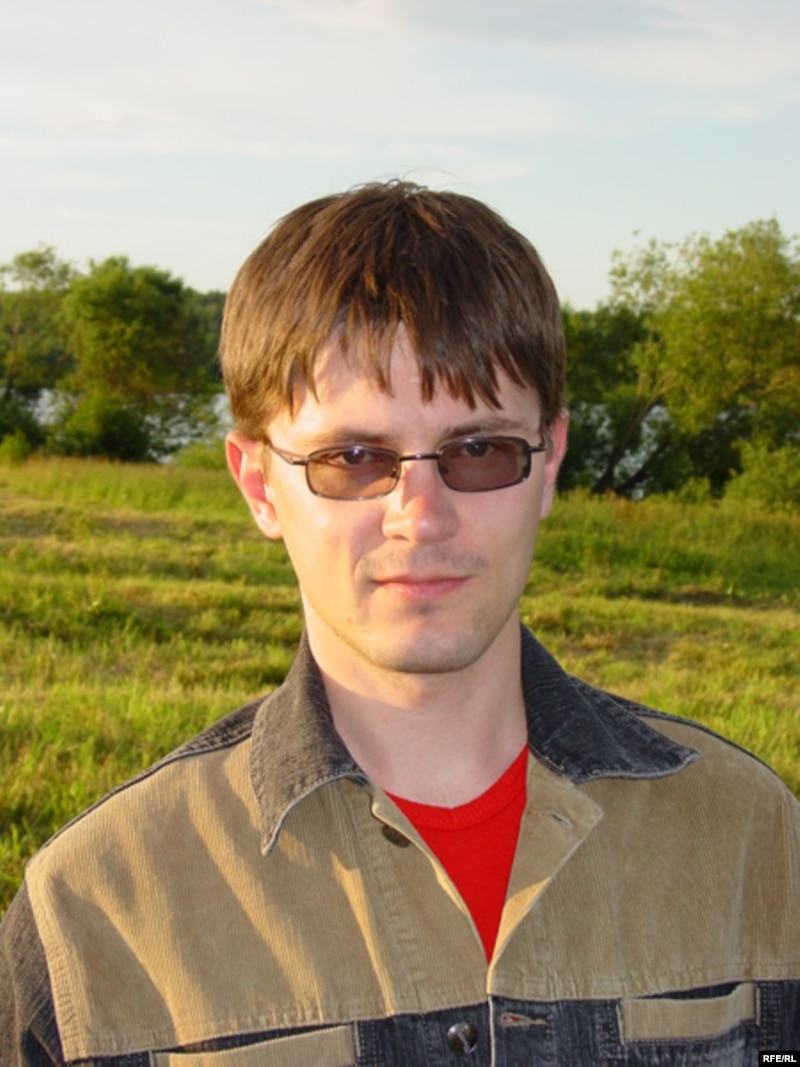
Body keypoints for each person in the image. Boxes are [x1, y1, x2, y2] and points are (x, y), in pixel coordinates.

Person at [0, 181, 797, 1066]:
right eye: (352, 458)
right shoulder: (92, 914)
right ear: (258, 484)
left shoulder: (757, 842)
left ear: (549, 463)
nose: (420, 516)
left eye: (479, 450)